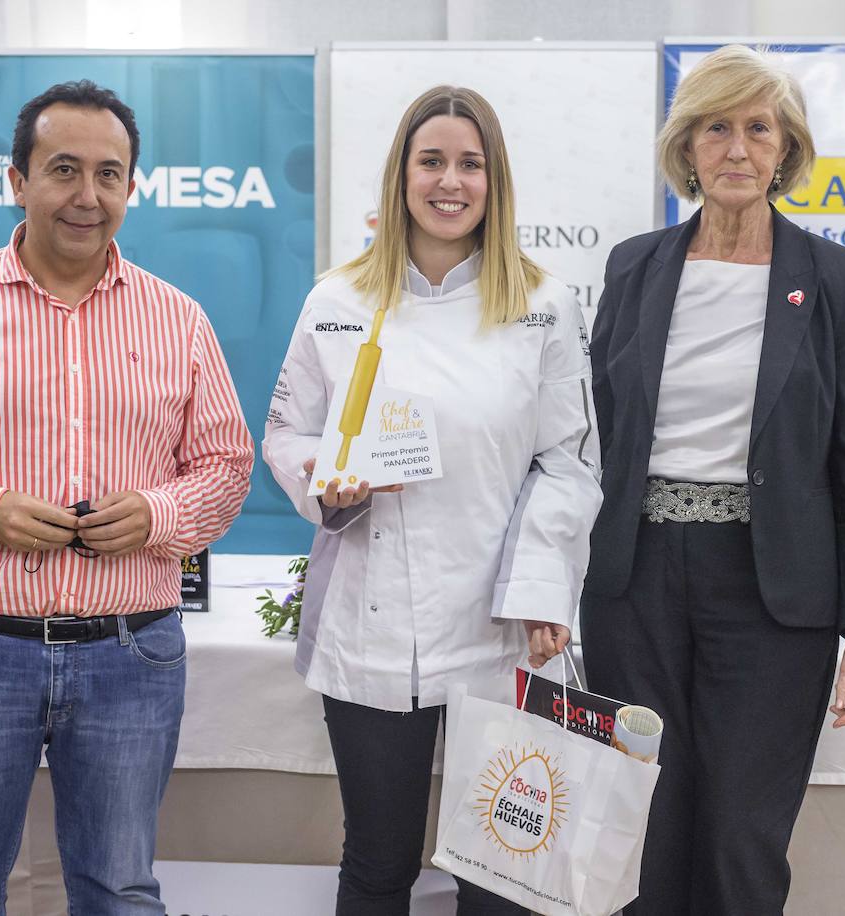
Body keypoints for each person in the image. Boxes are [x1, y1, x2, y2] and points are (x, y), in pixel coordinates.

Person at [0, 80, 253, 915]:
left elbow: (225, 468)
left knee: (120, 891)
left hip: (131, 654)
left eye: (110, 175)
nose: (87, 195)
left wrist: (158, 515)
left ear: (132, 189)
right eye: (64, 169)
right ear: (17, 180)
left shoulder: (179, 321)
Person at [263, 85, 601, 916]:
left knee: (503, 879)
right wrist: (327, 486)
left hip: (507, 630)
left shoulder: (543, 306)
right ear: (400, 175)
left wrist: (540, 591)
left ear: (495, 180)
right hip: (373, 629)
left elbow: (570, 463)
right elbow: (286, 435)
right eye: (432, 161)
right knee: (378, 867)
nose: (450, 182)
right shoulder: (336, 300)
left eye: (470, 164)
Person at [580, 45, 845, 914]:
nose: (737, 149)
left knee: (741, 835)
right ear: (686, 147)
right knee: (639, 825)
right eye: (717, 128)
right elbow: (588, 437)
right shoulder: (632, 266)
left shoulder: (834, 280)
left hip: (772, 594)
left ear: (787, 150)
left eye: (760, 129)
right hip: (634, 581)